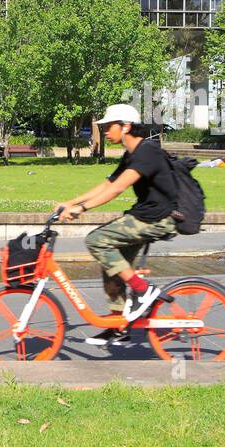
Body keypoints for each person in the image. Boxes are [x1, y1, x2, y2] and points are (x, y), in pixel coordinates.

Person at [55, 104, 177, 348]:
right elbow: (107, 183)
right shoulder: (132, 152)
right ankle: (117, 325)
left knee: (96, 240)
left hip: (160, 218)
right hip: (145, 214)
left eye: (109, 126)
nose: (105, 130)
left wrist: (81, 209)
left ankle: (144, 291)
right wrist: (70, 202)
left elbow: (117, 189)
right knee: (111, 263)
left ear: (126, 126)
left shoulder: (148, 151)